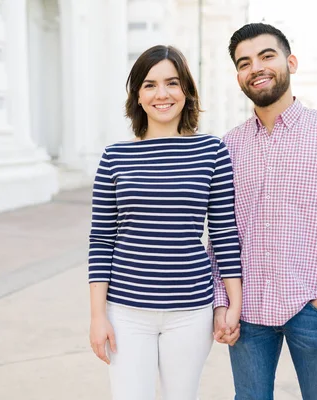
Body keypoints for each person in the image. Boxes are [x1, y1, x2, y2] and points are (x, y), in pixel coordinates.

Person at [210, 23, 317, 400]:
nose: (257, 68)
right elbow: (221, 233)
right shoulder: (228, 146)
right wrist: (223, 301)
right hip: (247, 310)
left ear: (291, 62)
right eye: (244, 62)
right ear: (238, 75)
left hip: (314, 308)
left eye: (267, 56)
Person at [88, 45, 243, 400]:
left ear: (186, 91)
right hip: (126, 311)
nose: (162, 94)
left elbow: (223, 232)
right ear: (138, 96)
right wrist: (98, 316)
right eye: (150, 85)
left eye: (172, 83)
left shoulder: (212, 151)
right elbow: (100, 241)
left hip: (191, 310)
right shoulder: (115, 157)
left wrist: (233, 303)